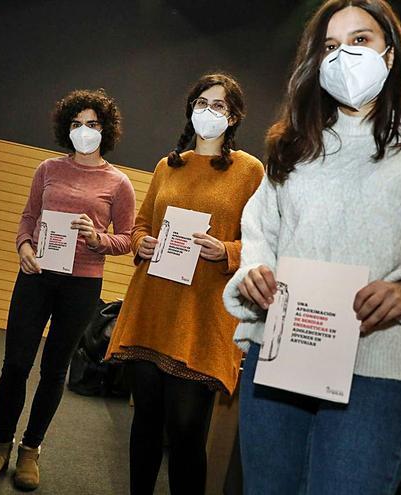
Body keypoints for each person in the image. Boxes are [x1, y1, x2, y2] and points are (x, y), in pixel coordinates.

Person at [222, 1, 401, 493]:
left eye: (360, 40)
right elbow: (260, 231)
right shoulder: (295, 145)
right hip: (281, 357)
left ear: (391, 54)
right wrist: (254, 273)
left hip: (377, 371)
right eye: (330, 47)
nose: (344, 56)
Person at [105, 73, 264, 494]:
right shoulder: (167, 165)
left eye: (219, 106)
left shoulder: (249, 171)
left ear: (233, 118)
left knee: (187, 432)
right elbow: (139, 225)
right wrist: (143, 241)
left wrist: (227, 251)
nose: (208, 112)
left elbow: (264, 244)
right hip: (152, 307)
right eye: (202, 102)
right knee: (145, 424)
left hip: (202, 317)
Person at [0, 89, 136, 491]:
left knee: (54, 370)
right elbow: (28, 217)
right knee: (15, 364)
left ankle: (31, 448)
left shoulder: (119, 183)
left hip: (82, 285)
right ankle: (1, 442)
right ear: (67, 128)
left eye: (92, 125)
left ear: (106, 130)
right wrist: (24, 247)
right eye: (77, 124)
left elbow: (128, 239)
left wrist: (98, 238)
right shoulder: (47, 169)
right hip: (36, 277)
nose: (84, 131)